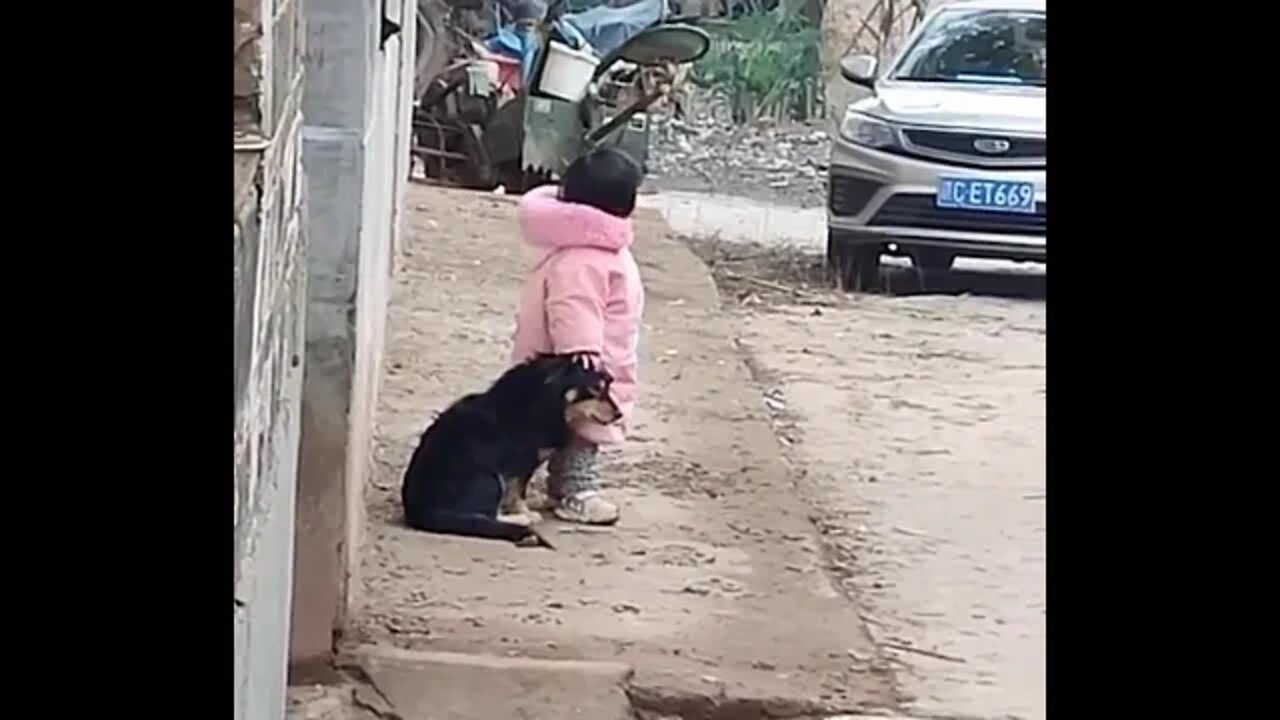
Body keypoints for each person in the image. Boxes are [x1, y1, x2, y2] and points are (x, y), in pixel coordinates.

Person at [510, 148, 645, 525]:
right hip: (583, 365)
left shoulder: (589, 247)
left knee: (558, 428)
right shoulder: (587, 256)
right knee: (582, 430)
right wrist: (581, 355)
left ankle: (539, 488)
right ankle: (574, 492)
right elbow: (574, 308)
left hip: (586, 360)